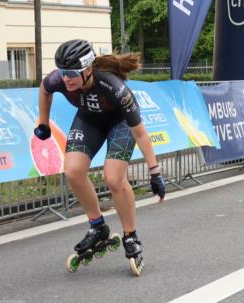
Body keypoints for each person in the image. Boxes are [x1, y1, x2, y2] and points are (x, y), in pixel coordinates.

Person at [36, 39, 165, 276]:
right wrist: (42, 121)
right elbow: (44, 90)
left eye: (72, 73)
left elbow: (140, 133)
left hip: (120, 124)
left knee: (114, 178)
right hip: (90, 120)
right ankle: (97, 227)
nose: (66, 79)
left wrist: (155, 172)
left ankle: (130, 235)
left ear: (88, 70)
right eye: (63, 72)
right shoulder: (60, 79)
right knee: (73, 171)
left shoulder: (114, 87)